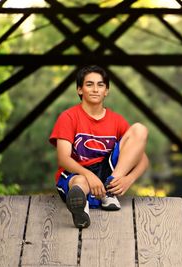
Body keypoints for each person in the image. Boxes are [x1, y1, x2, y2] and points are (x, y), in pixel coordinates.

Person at [49, 65, 149, 228]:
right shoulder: (68, 117)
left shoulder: (116, 120)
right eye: (89, 84)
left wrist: (128, 180)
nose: (95, 89)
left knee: (140, 129)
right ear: (80, 90)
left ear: (106, 91)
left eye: (100, 85)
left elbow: (143, 159)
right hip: (76, 172)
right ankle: (81, 208)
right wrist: (89, 176)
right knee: (79, 183)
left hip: (107, 173)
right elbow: (63, 158)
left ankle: (109, 190)